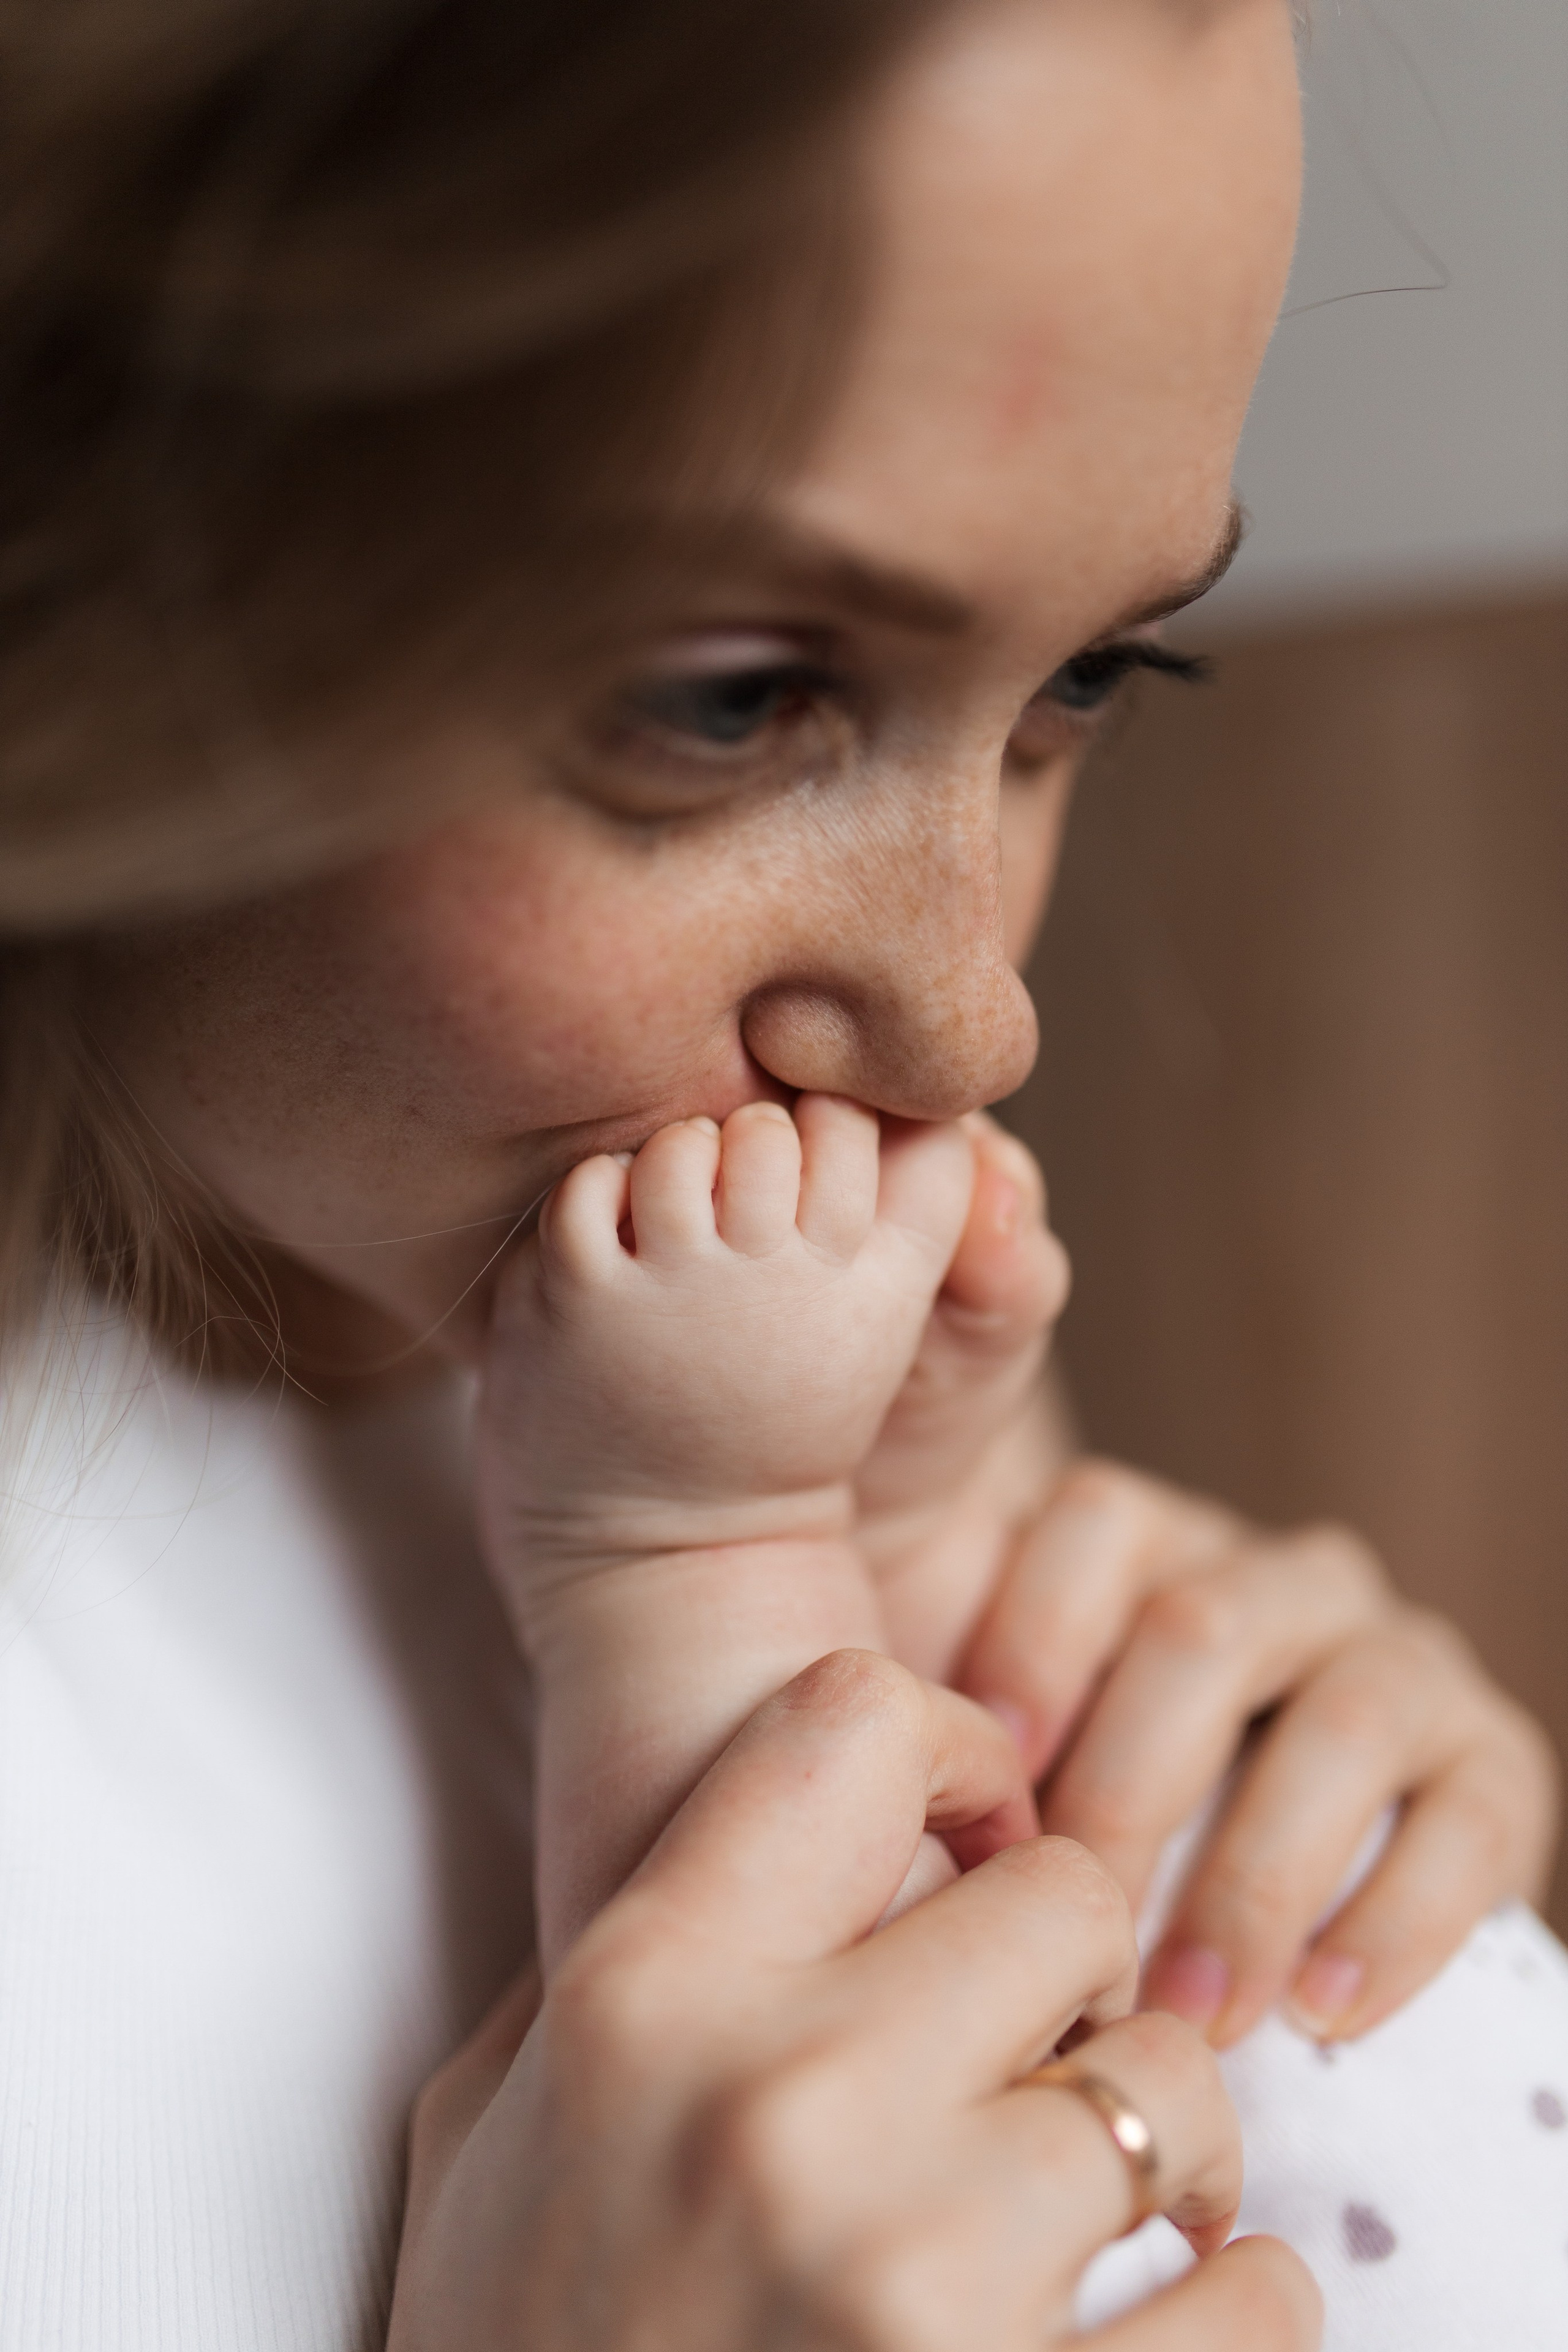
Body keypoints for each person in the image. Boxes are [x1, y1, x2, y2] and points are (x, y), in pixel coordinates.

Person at [0, 1, 1559, 2346]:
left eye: (1093, 681)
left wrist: (1341, 1959)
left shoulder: (659, 1358)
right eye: (728, 698)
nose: (975, 1025)